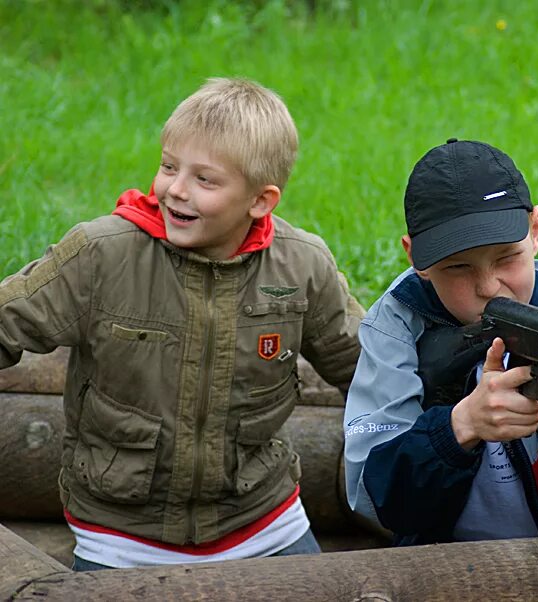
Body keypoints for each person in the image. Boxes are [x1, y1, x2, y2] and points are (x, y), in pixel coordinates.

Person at [0, 78, 363, 568]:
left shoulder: (301, 266)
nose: (175, 189)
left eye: (205, 180)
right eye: (169, 166)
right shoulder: (101, 255)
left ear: (261, 200)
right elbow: (7, 321)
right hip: (121, 534)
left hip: (264, 521)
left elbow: (363, 367)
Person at [343, 138, 538, 544]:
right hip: (454, 570)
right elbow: (374, 495)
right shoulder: (395, 326)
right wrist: (460, 426)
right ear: (415, 258)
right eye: (458, 267)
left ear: (536, 229)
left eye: (507, 257)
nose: (489, 286)